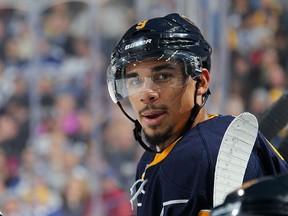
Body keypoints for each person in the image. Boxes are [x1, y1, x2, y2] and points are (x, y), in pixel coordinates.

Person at [106, 13, 288, 216]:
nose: (146, 95)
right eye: (135, 81)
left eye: (163, 76)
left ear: (200, 83)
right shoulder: (150, 159)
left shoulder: (215, 152)